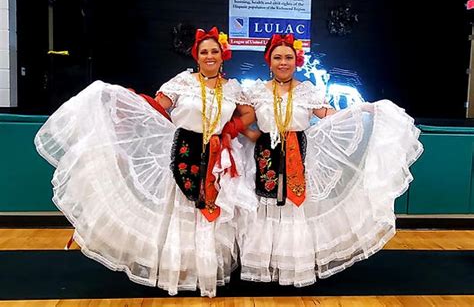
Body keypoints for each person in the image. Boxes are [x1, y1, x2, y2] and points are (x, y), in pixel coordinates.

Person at [34, 27, 257, 297]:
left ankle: (207, 272)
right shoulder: (182, 82)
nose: (209, 56)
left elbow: (249, 113)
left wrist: (231, 128)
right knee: (182, 212)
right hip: (184, 152)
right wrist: (123, 101)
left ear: (223, 56)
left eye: (214, 52)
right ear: (196, 57)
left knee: (212, 214)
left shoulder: (232, 88)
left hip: (219, 158)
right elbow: (157, 105)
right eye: (203, 52)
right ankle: (182, 271)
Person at [237, 33, 423, 287]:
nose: (283, 62)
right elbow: (240, 120)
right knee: (266, 206)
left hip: (298, 156)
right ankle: (266, 265)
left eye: (288, 57)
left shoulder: (306, 92)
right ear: (269, 61)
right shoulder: (256, 91)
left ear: (296, 61)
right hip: (265, 157)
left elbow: (329, 115)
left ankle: (291, 265)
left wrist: (363, 111)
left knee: (293, 208)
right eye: (278, 57)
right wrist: (254, 135)